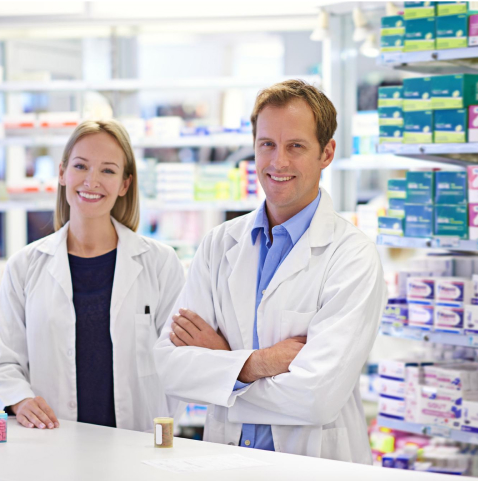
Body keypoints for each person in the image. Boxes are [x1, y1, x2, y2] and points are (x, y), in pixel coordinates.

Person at [153, 80, 387, 463]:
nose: (278, 162)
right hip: (225, 460)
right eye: (267, 145)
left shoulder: (352, 256)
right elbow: (170, 368)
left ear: (326, 153)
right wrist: (257, 363)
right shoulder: (219, 245)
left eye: (296, 146)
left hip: (310, 464)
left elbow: (317, 398)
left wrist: (223, 367)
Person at [0, 119, 185, 432]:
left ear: (124, 184)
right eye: (81, 166)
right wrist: (21, 400)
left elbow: (180, 362)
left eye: (107, 170)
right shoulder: (24, 266)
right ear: (63, 173)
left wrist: (158, 426)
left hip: (136, 444)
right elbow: (4, 363)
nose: (92, 181)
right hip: (52, 443)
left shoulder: (160, 263)